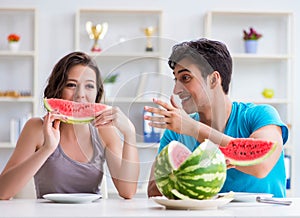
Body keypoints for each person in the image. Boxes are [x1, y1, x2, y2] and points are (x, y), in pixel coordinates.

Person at [145, 38, 288, 198]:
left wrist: (194, 129)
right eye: (176, 79)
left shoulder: (260, 115)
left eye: (185, 78)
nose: (176, 90)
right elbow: (153, 191)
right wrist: (188, 170)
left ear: (213, 79)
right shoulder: (175, 132)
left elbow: (261, 164)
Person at [0, 51, 140, 200]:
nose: (80, 94)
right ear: (58, 88)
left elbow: (128, 191)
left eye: (89, 86)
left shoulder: (104, 131)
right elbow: (3, 192)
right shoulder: (36, 128)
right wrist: (47, 149)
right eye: (71, 85)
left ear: (97, 93)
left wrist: (130, 133)